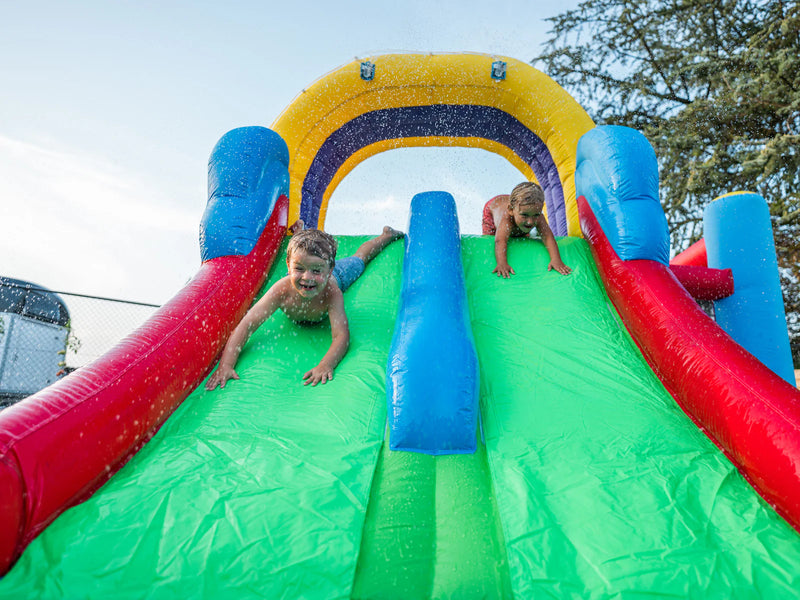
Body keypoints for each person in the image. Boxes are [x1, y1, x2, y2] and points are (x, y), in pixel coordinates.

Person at [205, 223, 404, 389]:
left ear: (329, 269)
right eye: (299, 268)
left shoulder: (332, 292)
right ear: (288, 266)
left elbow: (341, 336)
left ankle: (385, 236)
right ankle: (300, 233)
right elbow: (246, 324)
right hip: (302, 270)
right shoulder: (281, 290)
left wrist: (326, 365)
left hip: (339, 277)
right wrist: (226, 364)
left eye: (317, 270)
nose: (308, 278)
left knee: (359, 260)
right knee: (303, 251)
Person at [483, 182, 572, 278]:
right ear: (511, 210)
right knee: (490, 240)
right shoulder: (507, 218)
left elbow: (547, 237)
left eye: (536, 215)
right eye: (524, 215)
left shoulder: (532, 212)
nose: (530, 221)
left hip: (519, 203)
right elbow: (500, 240)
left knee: (523, 235)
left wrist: (556, 259)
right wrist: (502, 263)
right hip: (493, 210)